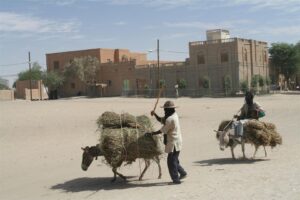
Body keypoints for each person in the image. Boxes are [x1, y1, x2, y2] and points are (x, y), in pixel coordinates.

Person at [146, 100, 187, 184]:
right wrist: (155, 114)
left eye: (165, 110)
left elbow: (162, 130)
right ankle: (183, 173)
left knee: (171, 162)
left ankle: (176, 180)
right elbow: (162, 120)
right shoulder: (174, 115)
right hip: (177, 141)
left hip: (173, 143)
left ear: (170, 110)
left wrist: (152, 133)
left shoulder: (170, 119)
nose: (164, 111)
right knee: (174, 160)